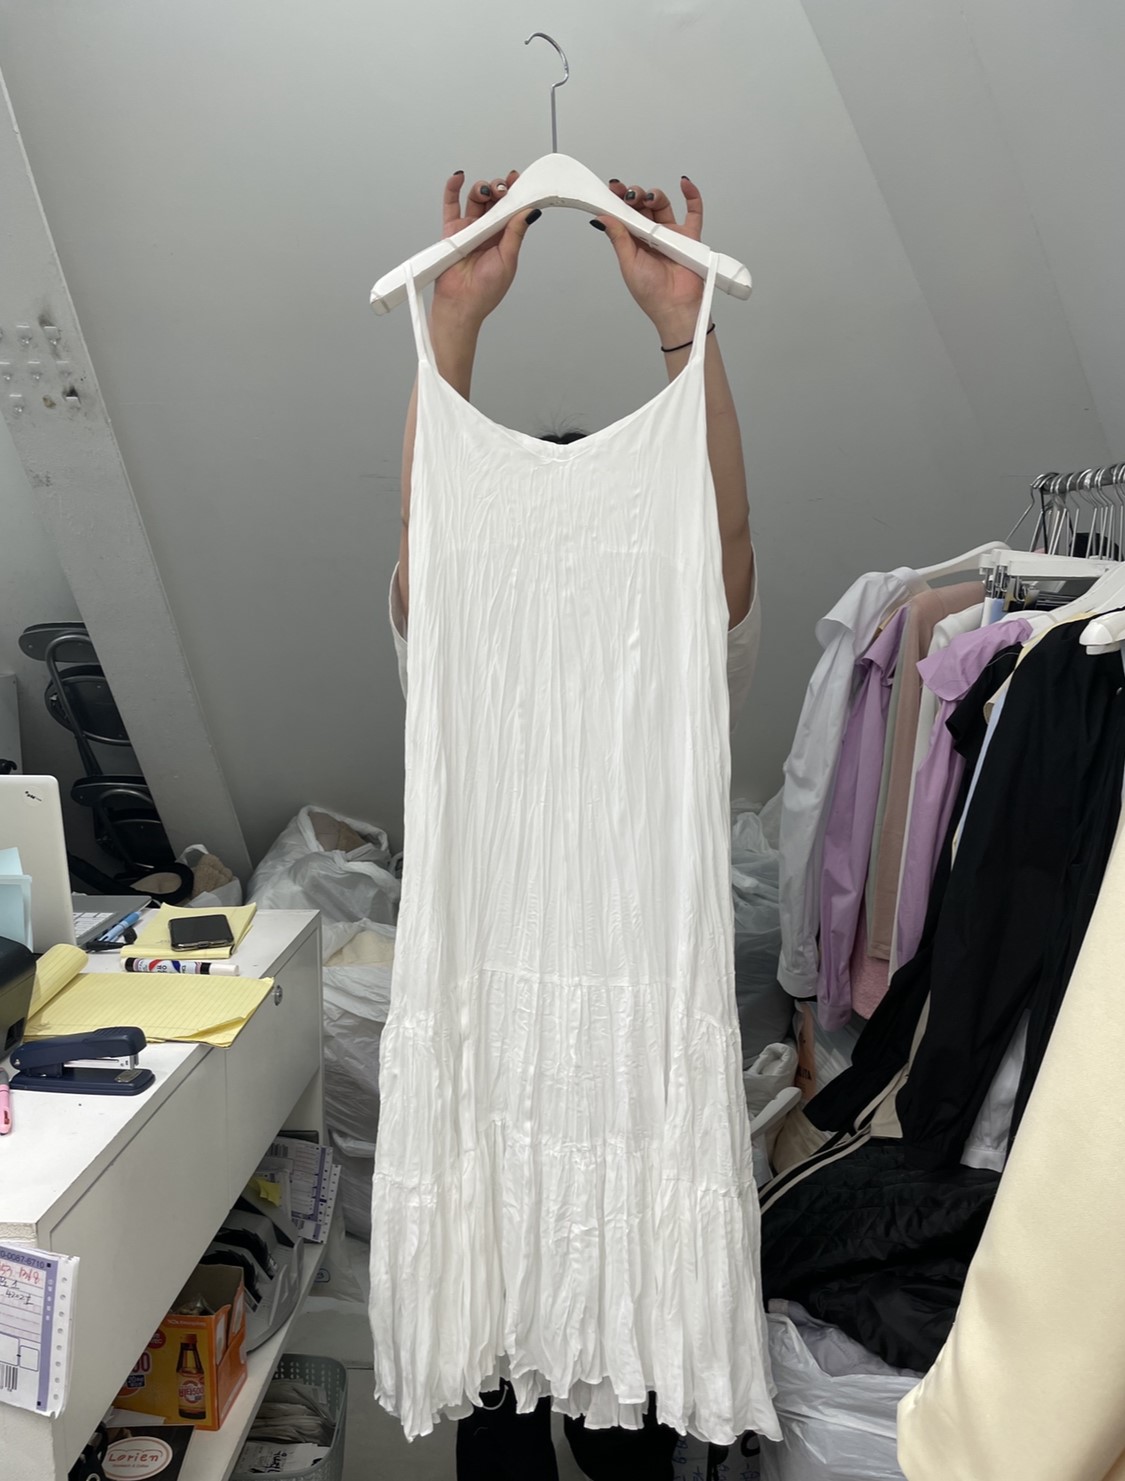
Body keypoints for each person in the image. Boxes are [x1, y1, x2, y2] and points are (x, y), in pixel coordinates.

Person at [387, 170, 761, 1481]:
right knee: (496, 1421)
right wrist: (451, 327)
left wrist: (683, 333)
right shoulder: (455, 620)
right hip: (492, 1041)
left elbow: (716, 536)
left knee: (632, 1427)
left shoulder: (673, 621)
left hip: (629, 1049)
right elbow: (427, 544)